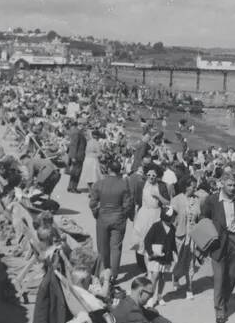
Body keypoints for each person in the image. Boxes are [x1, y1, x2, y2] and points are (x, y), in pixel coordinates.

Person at [201, 173, 235, 323]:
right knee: (219, 278)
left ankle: (225, 300)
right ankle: (220, 310)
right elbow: (204, 219)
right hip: (218, 242)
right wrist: (209, 238)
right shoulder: (212, 200)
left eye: (234, 185)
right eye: (229, 185)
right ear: (222, 183)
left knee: (232, 276)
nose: (232, 188)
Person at [88, 158, 133, 295]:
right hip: (118, 217)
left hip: (103, 217)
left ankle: (103, 272)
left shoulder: (99, 184)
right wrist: (122, 215)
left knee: (102, 247)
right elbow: (128, 204)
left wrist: (97, 213)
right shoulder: (124, 185)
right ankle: (113, 276)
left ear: (108, 169)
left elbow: (92, 203)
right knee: (116, 247)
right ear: (119, 170)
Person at [170, 177, 200, 300]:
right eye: (193, 186)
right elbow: (171, 219)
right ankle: (176, 277)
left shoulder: (197, 200)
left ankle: (189, 288)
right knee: (178, 261)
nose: (195, 188)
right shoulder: (176, 200)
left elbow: (199, 216)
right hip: (180, 235)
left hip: (192, 235)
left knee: (190, 262)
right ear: (186, 186)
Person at [144, 207, 178, 307]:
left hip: (166, 256)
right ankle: (150, 298)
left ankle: (159, 296)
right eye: (172, 217)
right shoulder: (156, 226)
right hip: (155, 256)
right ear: (166, 217)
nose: (174, 219)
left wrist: (175, 253)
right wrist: (150, 253)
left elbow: (172, 243)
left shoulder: (172, 228)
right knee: (155, 276)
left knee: (163, 277)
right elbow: (147, 240)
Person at [64, 119, 88, 193]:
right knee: (77, 172)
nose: (85, 126)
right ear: (81, 125)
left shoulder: (77, 132)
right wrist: (73, 157)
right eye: (84, 125)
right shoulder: (78, 133)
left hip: (77, 155)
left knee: (74, 172)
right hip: (78, 155)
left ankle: (70, 187)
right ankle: (73, 187)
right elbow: (74, 145)